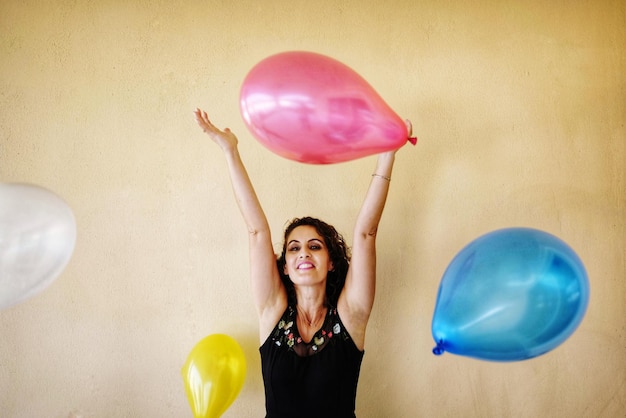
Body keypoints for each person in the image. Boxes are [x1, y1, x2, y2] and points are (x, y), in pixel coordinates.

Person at [194, 108, 412, 418]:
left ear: (331, 262)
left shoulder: (351, 316)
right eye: (294, 249)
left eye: (314, 247)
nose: (303, 254)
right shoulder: (273, 312)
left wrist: (387, 155)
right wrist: (230, 150)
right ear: (284, 266)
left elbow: (366, 233)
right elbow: (257, 231)